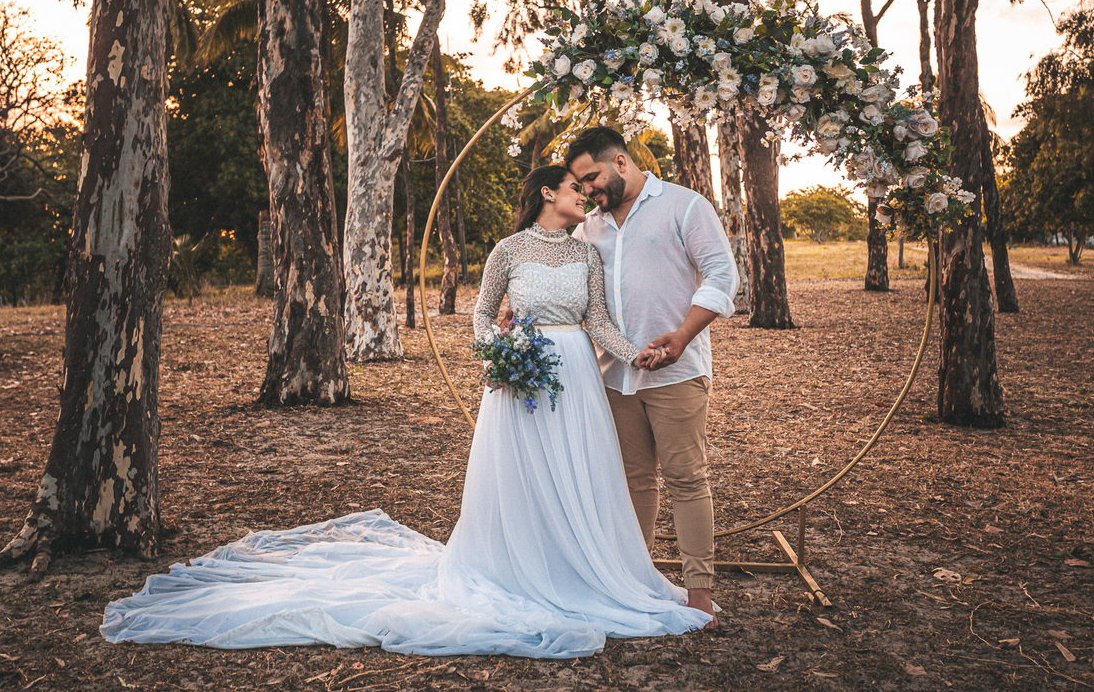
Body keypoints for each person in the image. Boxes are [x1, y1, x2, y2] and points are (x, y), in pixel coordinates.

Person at [100, 164, 713, 658]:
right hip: (519, 376)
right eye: (575, 189)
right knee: (526, 477)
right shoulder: (508, 249)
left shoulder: (587, 256)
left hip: (575, 375)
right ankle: (523, 567)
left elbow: (600, 322)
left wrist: (643, 354)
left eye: (588, 188)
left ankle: (579, 566)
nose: (586, 196)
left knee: (578, 472)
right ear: (549, 193)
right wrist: (497, 355)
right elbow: (480, 313)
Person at [565, 127, 740, 626]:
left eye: (592, 178)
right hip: (612, 375)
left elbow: (724, 276)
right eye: (580, 185)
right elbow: (573, 290)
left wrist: (682, 336)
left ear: (620, 161)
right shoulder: (588, 228)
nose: (589, 191)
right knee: (631, 481)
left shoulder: (685, 206)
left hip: (678, 371)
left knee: (688, 479)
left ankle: (700, 595)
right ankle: (633, 581)